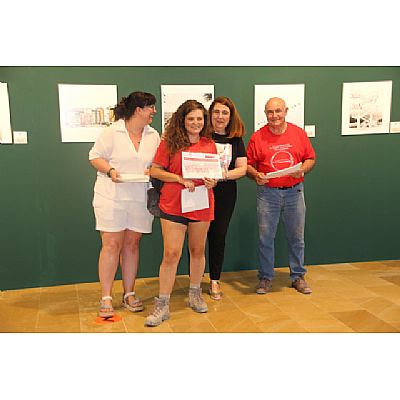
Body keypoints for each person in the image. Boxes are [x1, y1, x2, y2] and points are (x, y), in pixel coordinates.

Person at [145, 100, 218, 327]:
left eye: (199, 118)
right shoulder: (169, 143)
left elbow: (214, 175)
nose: (196, 123)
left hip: (201, 203)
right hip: (174, 204)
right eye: (191, 119)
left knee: (197, 250)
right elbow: (155, 170)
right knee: (171, 254)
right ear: (182, 120)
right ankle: (163, 304)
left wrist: (212, 181)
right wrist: (178, 179)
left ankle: (195, 293)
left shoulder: (210, 144)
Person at [89, 91, 160, 318]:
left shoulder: (153, 135)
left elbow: (157, 163)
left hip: (140, 197)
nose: (154, 112)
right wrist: (110, 170)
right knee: (111, 245)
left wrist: (153, 170)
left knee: (132, 245)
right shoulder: (112, 132)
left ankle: (129, 293)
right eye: (151, 107)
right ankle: (106, 296)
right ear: (138, 109)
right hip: (111, 196)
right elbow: (95, 157)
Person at [246, 97, 316, 295]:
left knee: (296, 238)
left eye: (278, 111)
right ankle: (266, 278)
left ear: (285, 111)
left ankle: (298, 277)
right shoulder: (257, 137)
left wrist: (302, 169)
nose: (274, 116)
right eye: (270, 112)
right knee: (265, 238)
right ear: (265, 113)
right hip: (267, 194)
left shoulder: (298, 134)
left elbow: (310, 158)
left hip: (295, 192)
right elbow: (248, 164)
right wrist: (255, 174)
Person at [206, 96, 247, 300]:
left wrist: (221, 176)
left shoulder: (235, 139)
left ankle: (214, 280)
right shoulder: (200, 136)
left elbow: (242, 168)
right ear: (210, 114)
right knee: (195, 239)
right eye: (216, 112)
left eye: (225, 113)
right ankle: (194, 281)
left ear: (231, 117)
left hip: (225, 193)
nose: (220, 116)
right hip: (199, 191)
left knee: (218, 236)